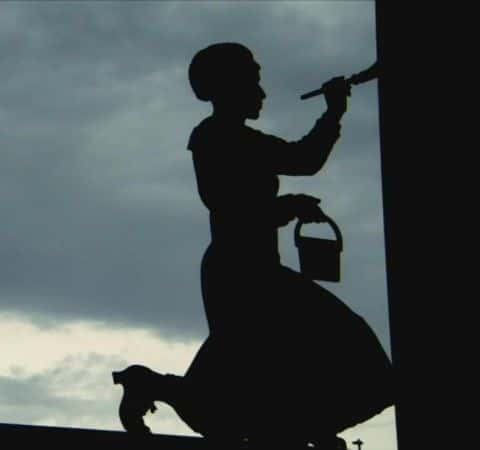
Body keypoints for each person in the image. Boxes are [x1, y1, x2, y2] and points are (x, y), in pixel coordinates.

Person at [114, 43, 393, 449]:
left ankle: (154, 386)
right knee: (345, 358)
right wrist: (285, 205)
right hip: (241, 273)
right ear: (229, 87)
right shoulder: (213, 138)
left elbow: (303, 160)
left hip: (251, 269)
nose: (261, 92)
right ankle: (302, 428)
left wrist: (333, 113)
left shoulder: (240, 139)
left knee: (264, 369)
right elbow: (227, 203)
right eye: (253, 81)